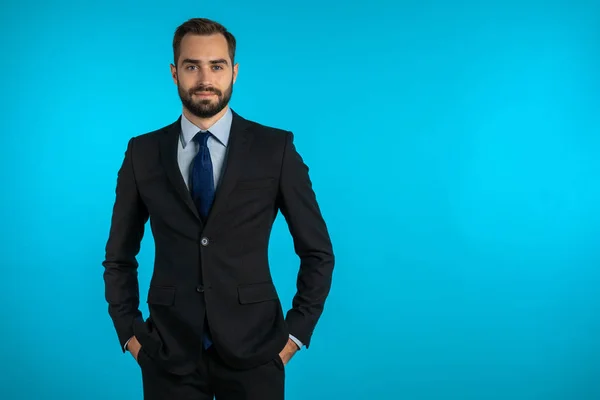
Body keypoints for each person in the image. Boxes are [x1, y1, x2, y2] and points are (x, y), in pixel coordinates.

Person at [102, 17, 335, 399]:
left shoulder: (274, 149)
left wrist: (294, 337)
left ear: (234, 72)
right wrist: (130, 335)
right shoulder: (141, 153)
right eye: (192, 66)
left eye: (217, 66)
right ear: (175, 73)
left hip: (257, 351)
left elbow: (318, 253)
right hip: (167, 353)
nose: (205, 78)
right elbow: (118, 257)